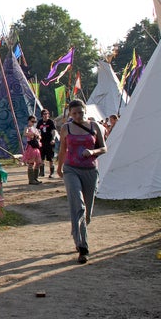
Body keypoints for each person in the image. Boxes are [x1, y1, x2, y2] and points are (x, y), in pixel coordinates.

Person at [57, 99, 107, 264]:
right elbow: (63, 149)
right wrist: (59, 167)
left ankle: (77, 232)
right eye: (74, 113)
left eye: (80, 112)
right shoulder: (66, 128)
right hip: (71, 169)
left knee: (87, 211)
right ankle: (83, 247)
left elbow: (104, 148)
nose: (78, 116)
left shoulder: (95, 127)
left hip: (90, 170)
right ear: (70, 114)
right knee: (78, 205)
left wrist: (92, 151)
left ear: (85, 111)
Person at [37, 109, 57, 178]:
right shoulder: (40, 122)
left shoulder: (50, 122)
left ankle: (52, 173)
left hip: (49, 142)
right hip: (42, 142)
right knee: (41, 157)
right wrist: (38, 139)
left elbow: (53, 131)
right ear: (42, 115)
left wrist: (53, 139)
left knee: (50, 158)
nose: (45, 115)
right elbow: (38, 130)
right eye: (44, 114)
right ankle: (42, 172)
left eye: (47, 114)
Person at [23, 115, 43, 185]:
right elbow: (25, 134)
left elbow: (40, 136)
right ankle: (31, 180)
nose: (33, 123)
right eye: (32, 121)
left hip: (36, 147)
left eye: (35, 121)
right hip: (31, 147)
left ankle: (35, 178)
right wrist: (32, 134)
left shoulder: (35, 128)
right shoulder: (27, 127)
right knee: (31, 163)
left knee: (38, 163)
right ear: (29, 121)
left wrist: (37, 136)